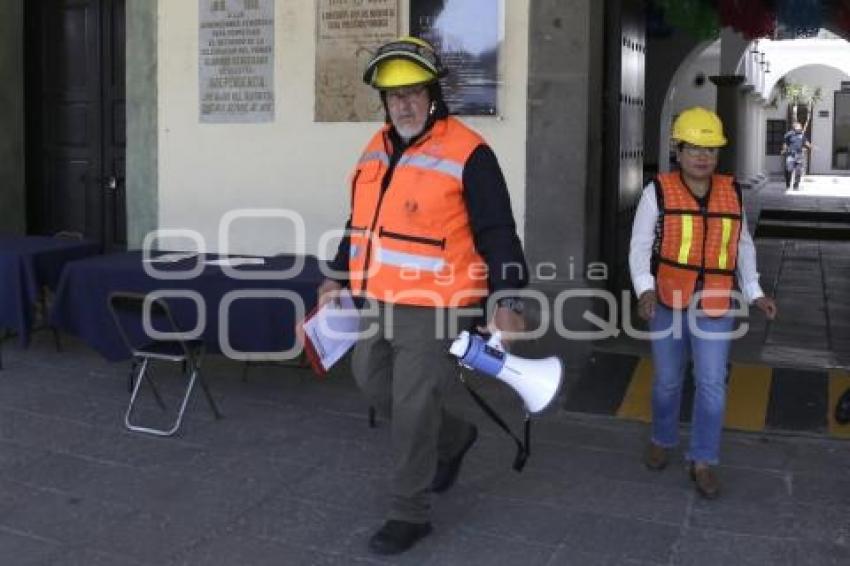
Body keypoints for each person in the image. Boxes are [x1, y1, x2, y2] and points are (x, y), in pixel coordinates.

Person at [316, 36, 528, 555]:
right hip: (379, 299)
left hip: (438, 304)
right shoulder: (375, 148)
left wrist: (508, 298)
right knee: (371, 382)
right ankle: (454, 437)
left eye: (412, 92)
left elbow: (498, 229)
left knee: (410, 407)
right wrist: (338, 275)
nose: (403, 104)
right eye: (393, 96)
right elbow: (361, 222)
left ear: (433, 94)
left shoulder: (469, 152)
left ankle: (408, 512)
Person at [629, 107, 778, 499]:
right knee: (666, 381)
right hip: (667, 298)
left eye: (710, 149)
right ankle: (662, 437)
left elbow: (741, 244)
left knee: (712, 383)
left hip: (715, 300)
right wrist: (645, 289)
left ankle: (703, 460)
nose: (702, 156)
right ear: (677, 150)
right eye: (694, 147)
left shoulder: (732, 191)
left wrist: (754, 291)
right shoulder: (657, 190)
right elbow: (640, 247)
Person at [781, 121, 811, 190]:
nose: (800, 128)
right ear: (794, 127)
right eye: (799, 127)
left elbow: (805, 142)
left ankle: (796, 185)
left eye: (800, 127)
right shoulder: (789, 134)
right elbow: (785, 143)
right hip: (791, 155)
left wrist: (810, 146)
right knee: (789, 170)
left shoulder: (801, 135)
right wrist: (784, 149)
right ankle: (788, 185)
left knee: (798, 171)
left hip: (799, 155)